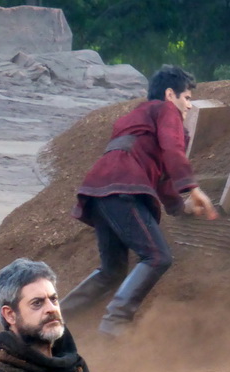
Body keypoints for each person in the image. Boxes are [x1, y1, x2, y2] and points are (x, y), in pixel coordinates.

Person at [60, 64, 217, 338]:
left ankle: (51, 322)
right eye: (187, 98)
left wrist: (180, 207)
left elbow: (158, 171)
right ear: (170, 94)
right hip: (123, 190)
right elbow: (172, 150)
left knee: (111, 271)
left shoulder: (136, 118)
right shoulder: (165, 110)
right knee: (157, 257)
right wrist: (192, 188)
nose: (189, 107)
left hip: (100, 191)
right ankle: (114, 324)